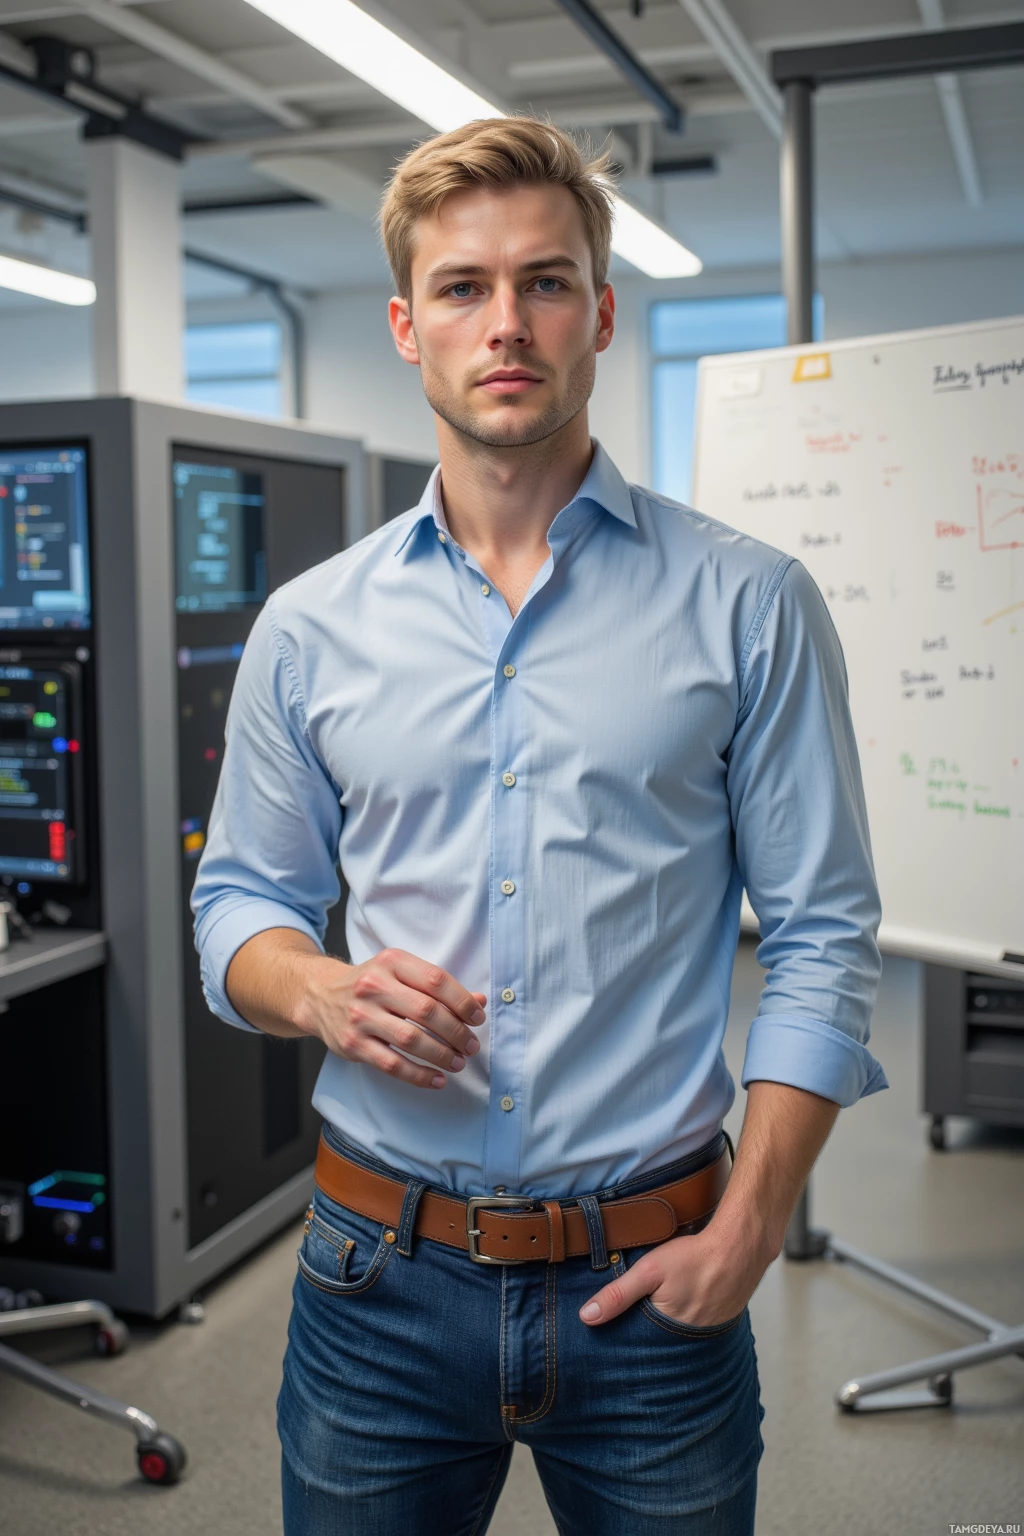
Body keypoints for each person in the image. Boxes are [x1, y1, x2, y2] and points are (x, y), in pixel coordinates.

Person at [191, 115, 886, 1536]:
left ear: (603, 315)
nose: (505, 324)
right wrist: (319, 986)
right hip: (372, 1286)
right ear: (405, 324)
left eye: (546, 282)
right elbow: (236, 911)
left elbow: (824, 934)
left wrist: (751, 1228)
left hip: (654, 1291)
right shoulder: (309, 629)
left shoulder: (750, 605)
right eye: (462, 287)